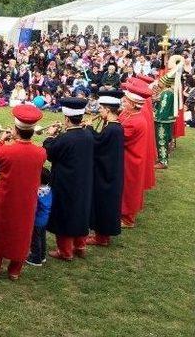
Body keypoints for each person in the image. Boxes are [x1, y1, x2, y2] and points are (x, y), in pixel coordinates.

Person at [0, 104, 47, 280]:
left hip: (6, 196)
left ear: (15, 129)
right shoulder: (41, 153)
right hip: (27, 199)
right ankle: (14, 270)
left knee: (0, 227)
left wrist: (1, 140)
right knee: (23, 229)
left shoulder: (6, 150)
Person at [43, 97, 94, 261]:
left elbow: (49, 154)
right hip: (84, 180)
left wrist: (50, 137)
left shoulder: (65, 138)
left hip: (65, 181)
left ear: (66, 118)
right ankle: (80, 245)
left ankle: (65, 251)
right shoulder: (88, 134)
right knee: (81, 211)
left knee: (64, 213)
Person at [86, 90, 125, 246]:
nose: (99, 111)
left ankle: (101, 237)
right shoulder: (113, 126)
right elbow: (101, 141)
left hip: (107, 174)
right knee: (105, 203)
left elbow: (98, 144)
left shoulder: (112, 129)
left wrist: (89, 129)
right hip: (109, 171)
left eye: (101, 108)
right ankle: (101, 235)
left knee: (104, 203)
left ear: (108, 110)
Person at [119, 83, 152, 228]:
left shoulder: (134, 121)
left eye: (126, 101)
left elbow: (118, 137)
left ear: (133, 104)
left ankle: (128, 219)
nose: (123, 102)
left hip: (131, 160)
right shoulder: (130, 114)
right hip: (129, 157)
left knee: (129, 189)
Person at [26, 169, 53, 266]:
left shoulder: (37, 192)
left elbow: (34, 208)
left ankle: (35, 258)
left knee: (35, 239)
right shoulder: (49, 189)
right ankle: (42, 256)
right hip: (45, 219)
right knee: (42, 237)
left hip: (37, 220)